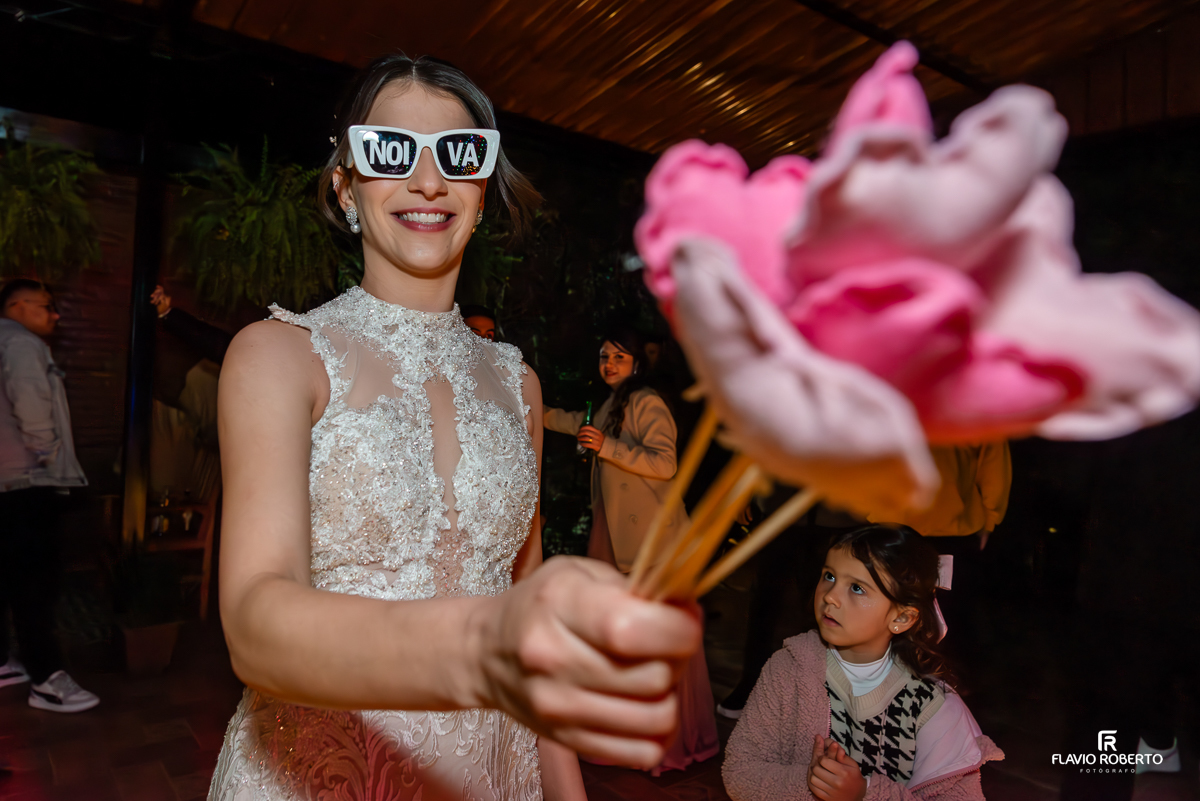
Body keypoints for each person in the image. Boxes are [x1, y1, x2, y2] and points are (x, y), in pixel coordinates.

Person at [208, 55, 702, 801]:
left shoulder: (520, 386)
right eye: (390, 150)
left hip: (493, 770)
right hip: (320, 770)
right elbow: (252, 619)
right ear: (346, 185)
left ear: (480, 193)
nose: (428, 180)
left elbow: (529, 618)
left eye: (459, 155)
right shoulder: (277, 357)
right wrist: (477, 649)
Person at [544, 330, 719, 775]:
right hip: (616, 533)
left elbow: (665, 463)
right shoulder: (610, 402)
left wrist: (610, 448)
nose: (609, 363)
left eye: (619, 357)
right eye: (604, 356)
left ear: (637, 363)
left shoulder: (645, 400)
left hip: (653, 541)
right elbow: (572, 421)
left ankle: (667, 742)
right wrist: (531, 408)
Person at [723, 525, 1002, 801]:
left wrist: (864, 793)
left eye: (857, 588)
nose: (830, 596)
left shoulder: (932, 707)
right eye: (829, 576)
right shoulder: (789, 668)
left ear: (901, 618)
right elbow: (740, 772)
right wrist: (814, 784)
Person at [0, 278, 98, 713]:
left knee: (8, 577)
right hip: (27, 481)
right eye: (45, 307)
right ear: (17, 307)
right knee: (35, 583)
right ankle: (47, 680)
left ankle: (4, 662)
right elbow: (33, 408)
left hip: (6, 482)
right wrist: (50, 456)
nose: (54, 315)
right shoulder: (21, 345)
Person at [868, 443, 1010, 667]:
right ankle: (945, 680)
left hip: (896, 524)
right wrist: (990, 518)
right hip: (950, 527)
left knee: (890, 607)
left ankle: (891, 678)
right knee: (950, 616)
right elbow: (994, 468)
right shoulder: (978, 410)